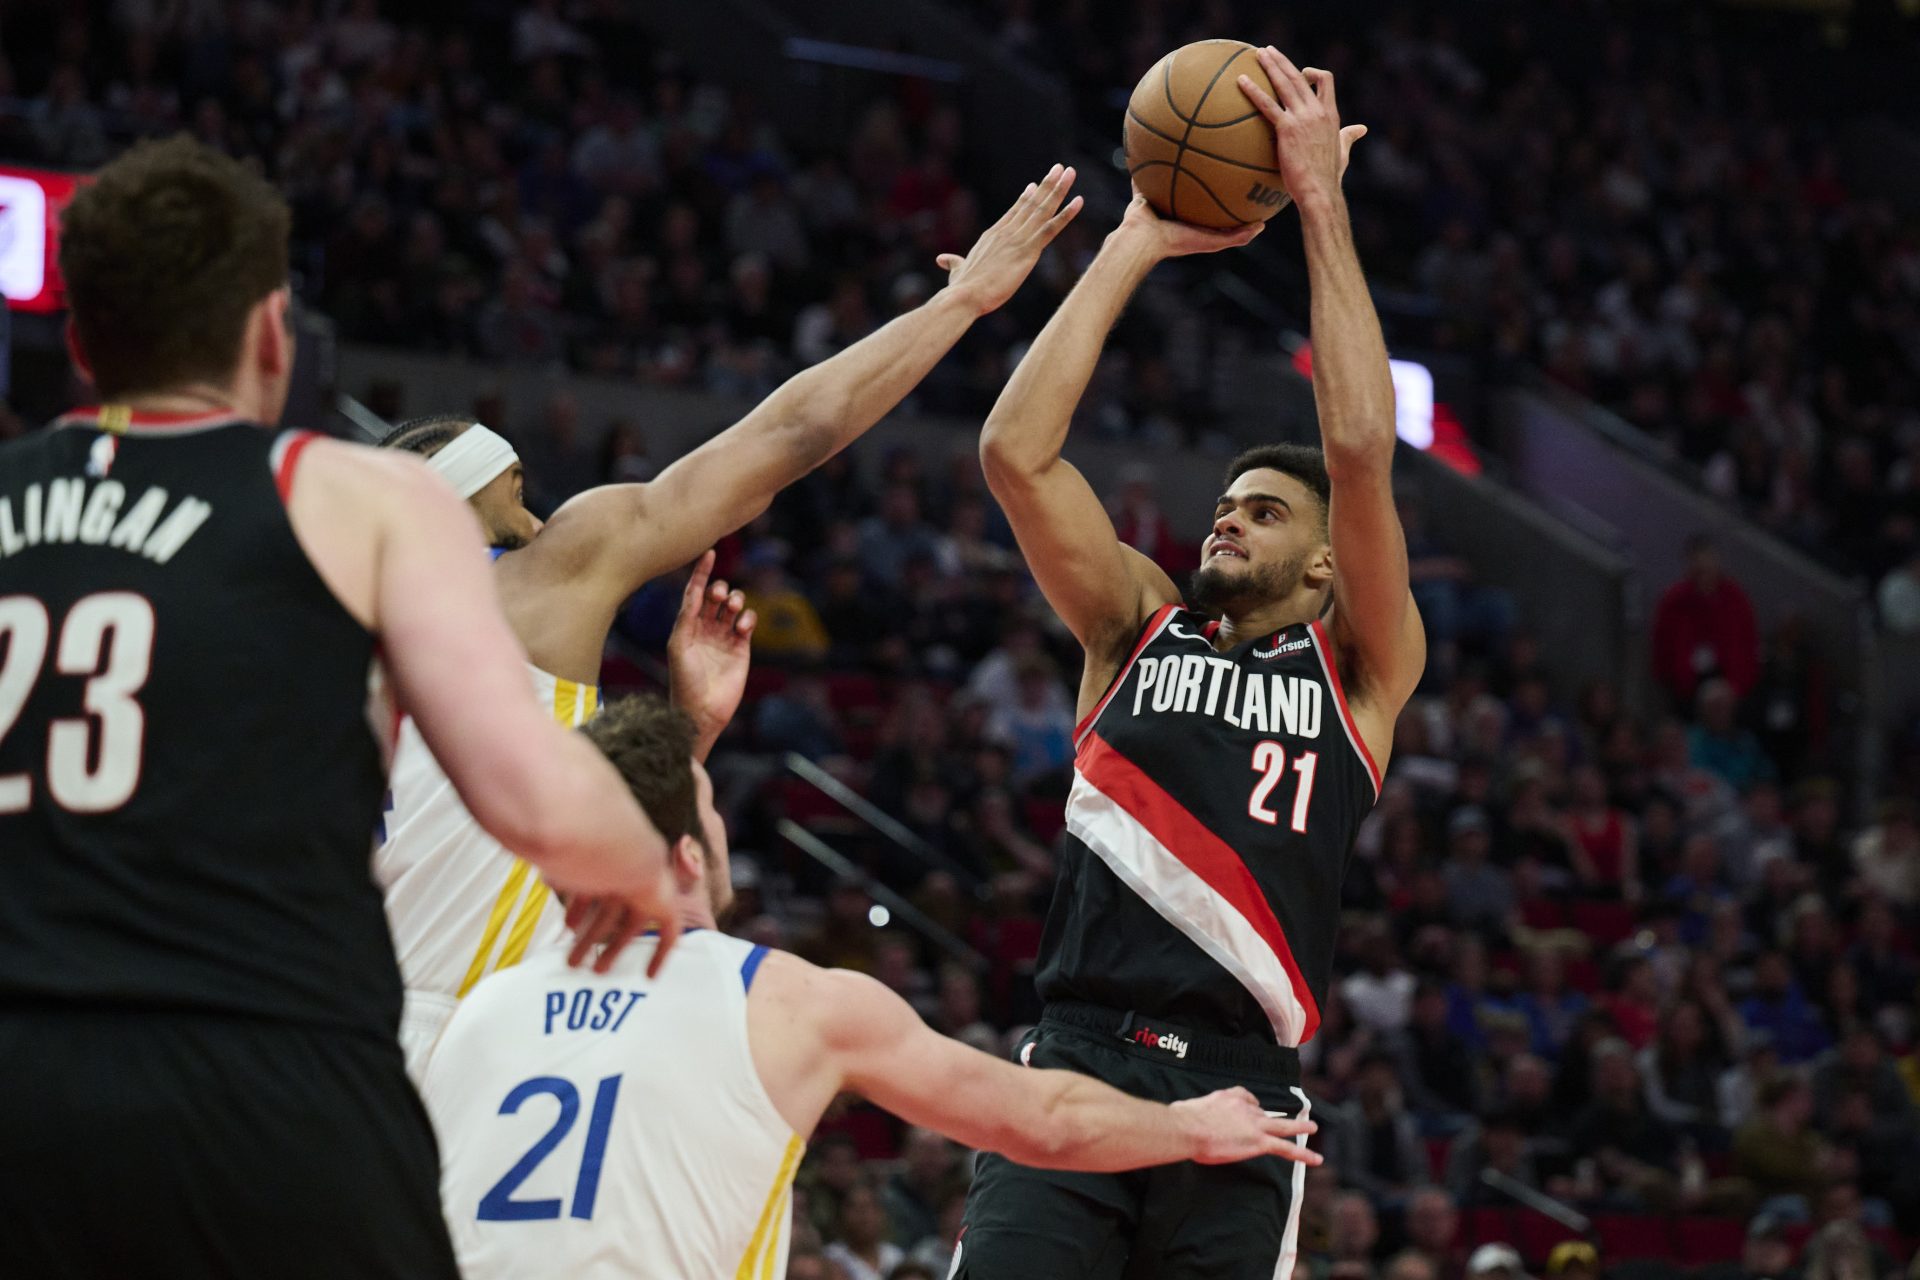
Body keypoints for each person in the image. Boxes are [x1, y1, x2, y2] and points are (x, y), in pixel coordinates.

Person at [0, 136, 673, 1276]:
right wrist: (641, 868)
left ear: (76, 342)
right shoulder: (353, 493)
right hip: (261, 1072)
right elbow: (534, 791)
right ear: (272, 337)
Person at [376, 163, 1086, 1080]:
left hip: (326, 1019)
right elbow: (786, 439)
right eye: (514, 486)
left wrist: (683, 731)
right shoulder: (538, 582)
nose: (535, 507)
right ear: (461, 494)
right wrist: (960, 305)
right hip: (473, 1027)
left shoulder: (328, 636)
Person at [963, 49, 1422, 1279]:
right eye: (1226, 502)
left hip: (1243, 1089)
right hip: (1075, 1063)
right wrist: (1136, 240)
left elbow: (1363, 447)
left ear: (1327, 567)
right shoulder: (1135, 627)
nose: (1227, 516)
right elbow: (1016, 453)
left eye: (1266, 512)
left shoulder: (1361, 672)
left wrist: (1319, 202)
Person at [422, 696, 1321, 1280]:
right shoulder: (789, 1002)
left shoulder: (481, 1015)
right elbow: (1039, 1121)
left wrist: (685, 725)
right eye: (709, 802)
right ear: (691, 853)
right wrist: (1187, 1126)